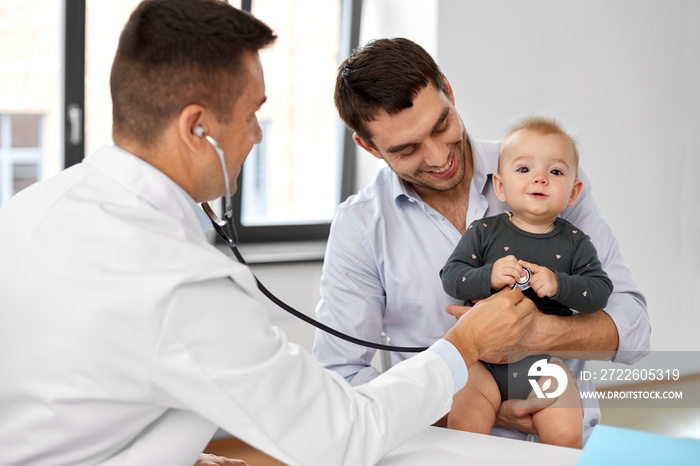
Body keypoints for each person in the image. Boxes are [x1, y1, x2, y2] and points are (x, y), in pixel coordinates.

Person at [0, 2, 536, 466]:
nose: (257, 136)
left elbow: (64, 404)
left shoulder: (33, 209)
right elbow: (340, 435)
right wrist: (464, 345)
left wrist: (168, 454)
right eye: (254, 114)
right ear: (196, 129)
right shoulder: (182, 282)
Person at [313, 37, 650, 443]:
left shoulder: (544, 178)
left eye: (441, 126)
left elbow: (633, 330)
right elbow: (340, 377)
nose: (438, 158)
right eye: (407, 150)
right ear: (368, 146)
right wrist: (487, 411)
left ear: (448, 91)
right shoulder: (360, 227)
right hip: (446, 446)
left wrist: (538, 333)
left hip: (562, 441)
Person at [440, 116, 615, 448]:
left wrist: (561, 284)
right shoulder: (483, 232)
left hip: (543, 365)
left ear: (574, 192)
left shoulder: (577, 242)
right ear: (500, 187)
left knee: (566, 427)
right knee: (465, 424)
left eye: (556, 172)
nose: (540, 178)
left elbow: (600, 291)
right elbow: (451, 277)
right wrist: (486, 277)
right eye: (524, 170)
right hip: (481, 365)